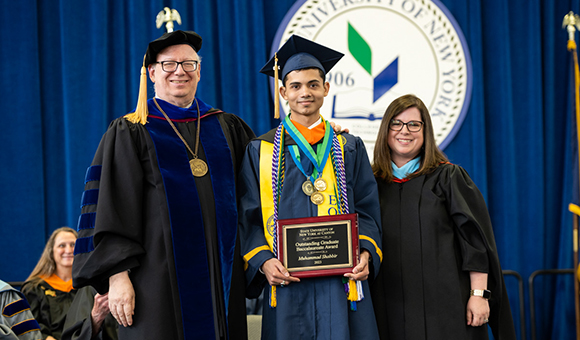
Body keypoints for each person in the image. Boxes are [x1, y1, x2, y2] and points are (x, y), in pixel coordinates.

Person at [71, 30, 255, 340]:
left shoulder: (226, 127)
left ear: (199, 71)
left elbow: (267, 172)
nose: (180, 71)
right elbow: (111, 209)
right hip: (154, 284)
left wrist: (319, 136)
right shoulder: (131, 131)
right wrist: (118, 278)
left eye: (189, 63)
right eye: (169, 64)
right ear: (152, 72)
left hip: (221, 282)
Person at [238, 35, 383, 340]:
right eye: (296, 86)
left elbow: (368, 209)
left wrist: (366, 253)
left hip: (341, 283)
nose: (305, 92)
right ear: (283, 92)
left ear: (326, 88)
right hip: (287, 283)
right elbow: (247, 215)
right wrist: (264, 262)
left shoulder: (348, 147)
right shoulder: (260, 151)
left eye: (313, 84)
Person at [370, 94, 516, 339]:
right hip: (388, 306)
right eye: (396, 123)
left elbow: (475, 243)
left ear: (425, 130)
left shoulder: (448, 178)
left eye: (414, 124)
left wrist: (478, 295)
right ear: (386, 129)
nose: (404, 131)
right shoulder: (371, 184)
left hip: (448, 307)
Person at [21, 227, 78, 340]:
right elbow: (27, 326)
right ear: (51, 251)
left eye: (73, 245)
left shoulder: (89, 287)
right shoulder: (34, 288)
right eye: (62, 245)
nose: (68, 250)